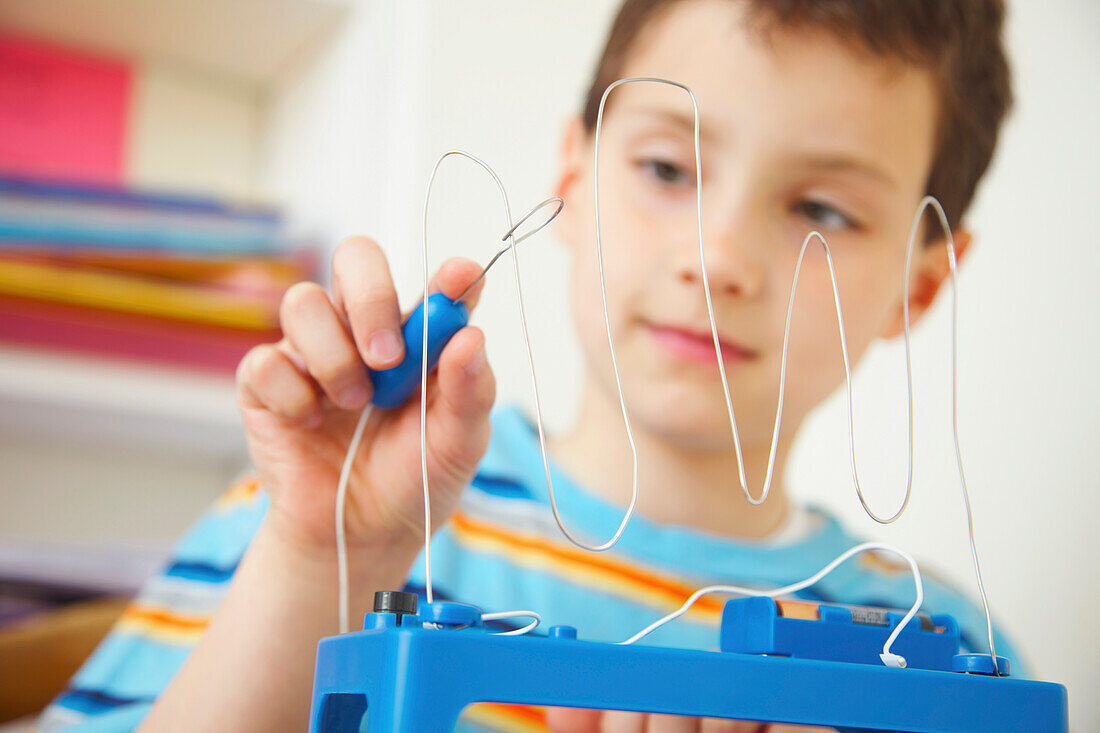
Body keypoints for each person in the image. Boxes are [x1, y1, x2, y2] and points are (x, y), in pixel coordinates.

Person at [39, 0, 1018, 731]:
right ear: (569, 175)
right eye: (666, 170)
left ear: (919, 287)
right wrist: (315, 559)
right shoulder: (325, 513)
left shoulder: (938, 653)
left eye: (822, 211)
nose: (717, 257)